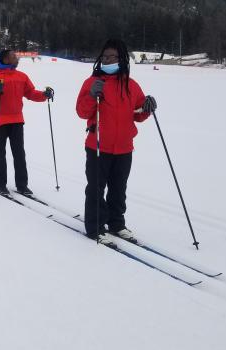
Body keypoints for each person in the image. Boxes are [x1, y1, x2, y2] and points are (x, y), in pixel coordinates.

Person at [75, 39, 157, 245]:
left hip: (124, 147)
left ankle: (116, 223)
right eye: (104, 57)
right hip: (98, 146)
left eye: (112, 57)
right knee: (95, 188)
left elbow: (137, 114)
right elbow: (81, 111)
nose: (107, 60)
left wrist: (147, 108)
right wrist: (92, 95)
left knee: (119, 188)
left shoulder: (131, 85)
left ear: (121, 59)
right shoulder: (92, 83)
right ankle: (95, 227)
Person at [0, 49, 53, 196]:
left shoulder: (21, 76)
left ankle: (22, 185)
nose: (17, 58)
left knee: (19, 154)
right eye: (14, 56)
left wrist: (44, 95)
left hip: (17, 120)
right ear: (6, 59)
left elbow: (30, 93)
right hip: (0, 121)